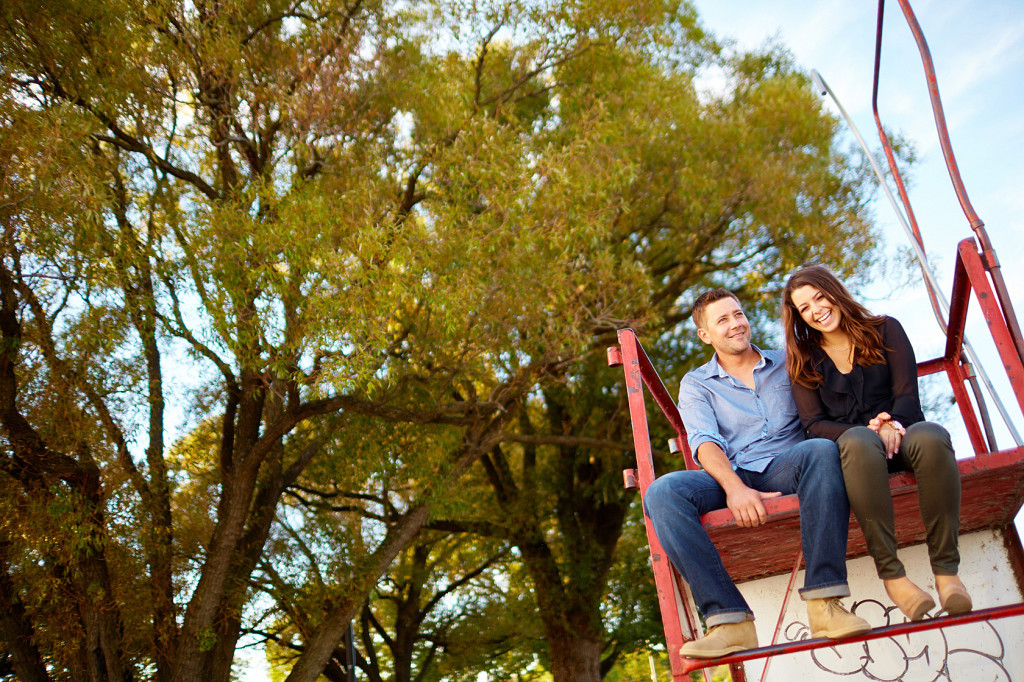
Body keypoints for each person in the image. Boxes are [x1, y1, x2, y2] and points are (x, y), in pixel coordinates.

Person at [643, 288, 870, 659]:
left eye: (738, 314)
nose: (735, 324)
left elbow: (828, 409)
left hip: (787, 467)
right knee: (662, 492)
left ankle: (825, 602)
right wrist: (735, 489)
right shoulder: (697, 383)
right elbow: (703, 442)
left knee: (821, 449)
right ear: (705, 335)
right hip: (729, 475)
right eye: (722, 320)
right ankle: (729, 620)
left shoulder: (788, 362)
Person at [782, 265, 972, 622]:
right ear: (799, 317)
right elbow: (813, 424)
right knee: (856, 441)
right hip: (857, 456)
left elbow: (907, 394)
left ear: (834, 292)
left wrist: (891, 423)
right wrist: (870, 431)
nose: (815, 310)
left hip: (903, 435)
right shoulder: (804, 359)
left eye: (819, 297)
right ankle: (894, 577)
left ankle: (947, 572)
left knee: (931, 435)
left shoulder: (886, 328)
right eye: (804, 308)